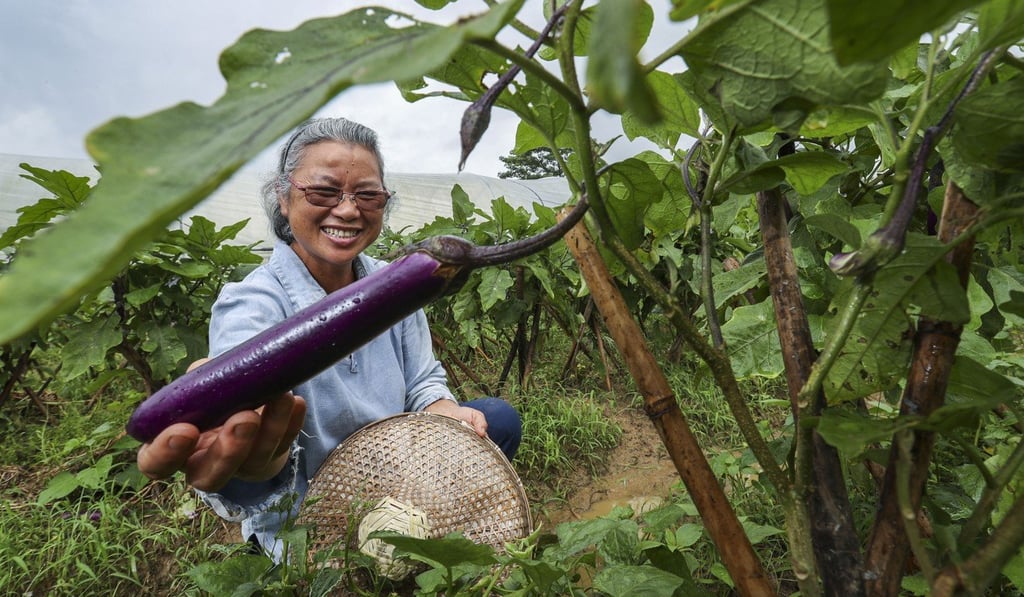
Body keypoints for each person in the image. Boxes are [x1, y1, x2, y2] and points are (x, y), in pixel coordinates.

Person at [136, 117, 522, 558]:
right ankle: (279, 555)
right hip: (312, 504)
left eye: (367, 194)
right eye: (322, 192)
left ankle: (426, 518)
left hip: (400, 470)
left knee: (497, 418)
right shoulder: (251, 303)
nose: (347, 209)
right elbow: (246, 424)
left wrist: (443, 406)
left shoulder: (395, 283)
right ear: (283, 198)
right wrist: (260, 464)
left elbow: (422, 377)